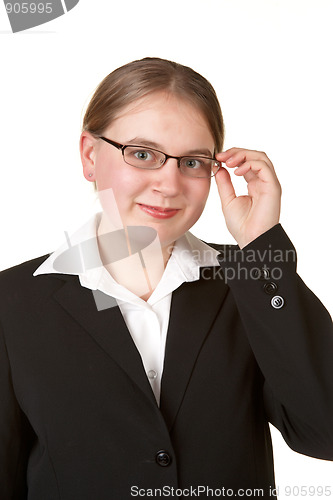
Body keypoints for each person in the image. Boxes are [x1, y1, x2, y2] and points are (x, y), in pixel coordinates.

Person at [0, 57, 332, 500]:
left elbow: (324, 432)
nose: (169, 184)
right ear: (89, 155)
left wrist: (261, 249)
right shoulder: (13, 301)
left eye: (193, 162)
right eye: (142, 154)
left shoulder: (249, 280)